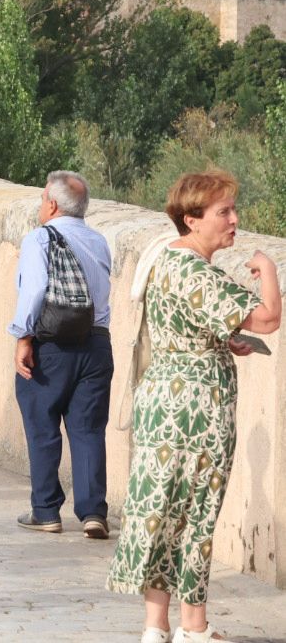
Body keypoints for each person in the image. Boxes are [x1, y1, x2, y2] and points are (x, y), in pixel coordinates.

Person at [107, 170, 281, 643]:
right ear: (191, 219)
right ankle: (194, 627)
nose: (234, 220)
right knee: (196, 514)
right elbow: (267, 319)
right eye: (223, 212)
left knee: (160, 512)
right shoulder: (197, 271)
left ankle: (155, 626)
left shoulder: (164, 260)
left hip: (162, 396)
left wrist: (222, 338)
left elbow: (184, 322)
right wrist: (268, 270)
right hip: (197, 407)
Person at [8, 171, 114, 539]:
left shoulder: (40, 238)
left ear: (51, 204)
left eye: (42, 200)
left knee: (42, 424)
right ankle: (93, 512)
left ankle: (46, 509)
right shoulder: (100, 242)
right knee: (87, 430)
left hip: (51, 346)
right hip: (97, 344)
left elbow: (35, 290)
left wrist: (23, 336)